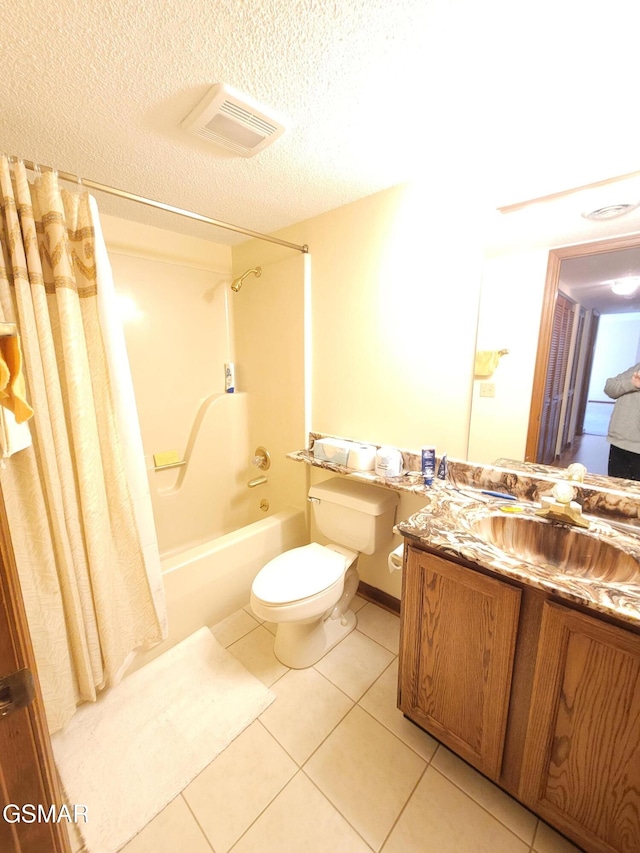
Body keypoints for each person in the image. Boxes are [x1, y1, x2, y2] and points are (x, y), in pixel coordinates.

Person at [604, 362, 640, 480]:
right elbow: (609, 387)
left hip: (637, 448)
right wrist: (631, 384)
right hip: (619, 442)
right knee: (615, 491)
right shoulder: (637, 368)